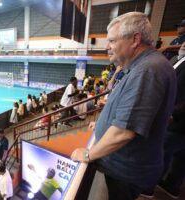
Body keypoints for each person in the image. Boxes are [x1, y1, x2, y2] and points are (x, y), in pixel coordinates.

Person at [71, 12, 176, 200]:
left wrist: (88, 154)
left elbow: (124, 132)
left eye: (112, 40)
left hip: (125, 170)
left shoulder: (147, 70)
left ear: (135, 39)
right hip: (127, 167)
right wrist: (104, 123)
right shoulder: (146, 66)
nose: (108, 47)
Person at [141, 42, 185, 199]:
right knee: (178, 157)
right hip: (170, 117)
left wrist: (172, 114)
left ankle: (148, 187)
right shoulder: (174, 59)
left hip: (176, 121)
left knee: (161, 153)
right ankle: (172, 186)